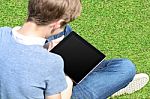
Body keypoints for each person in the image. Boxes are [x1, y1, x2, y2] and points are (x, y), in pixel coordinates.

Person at [0, 0, 149, 99]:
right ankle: (107, 86)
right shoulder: (52, 63)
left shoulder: (2, 33)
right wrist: (67, 77)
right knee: (125, 68)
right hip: (55, 87)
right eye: (62, 24)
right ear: (56, 24)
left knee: (66, 34)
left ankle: (103, 83)